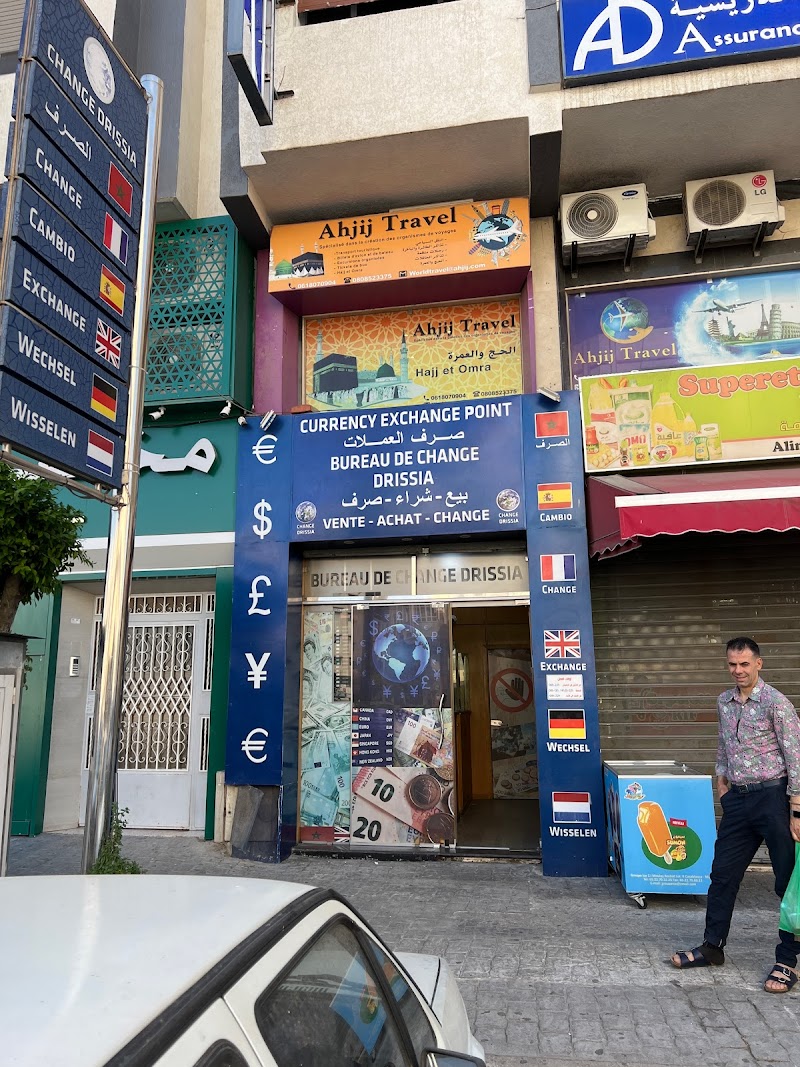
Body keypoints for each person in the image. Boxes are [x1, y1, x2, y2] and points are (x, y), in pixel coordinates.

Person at [672, 637, 800, 992]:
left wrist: (797, 809)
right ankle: (712, 947)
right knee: (722, 875)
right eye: (732, 664)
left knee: (787, 882)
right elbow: (724, 743)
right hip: (739, 801)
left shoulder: (776, 703)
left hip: (774, 798)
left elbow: (796, 757)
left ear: (759, 663)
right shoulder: (724, 702)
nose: (738, 670)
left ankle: (788, 959)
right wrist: (721, 780)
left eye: (744, 664)